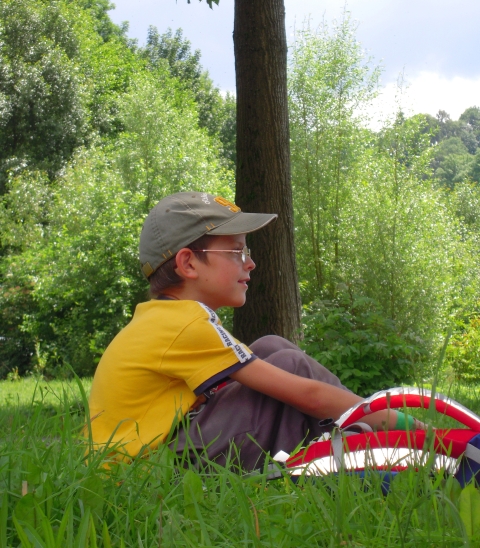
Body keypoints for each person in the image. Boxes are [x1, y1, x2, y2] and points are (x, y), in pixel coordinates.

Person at [88, 191, 420, 470]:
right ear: (188, 263)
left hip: (161, 456)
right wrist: (415, 427)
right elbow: (311, 395)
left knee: (271, 347)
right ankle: (401, 447)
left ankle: (356, 448)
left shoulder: (165, 317)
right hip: (152, 471)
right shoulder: (185, 324)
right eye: (236, 251)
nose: (250, 263)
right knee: (289, 366)